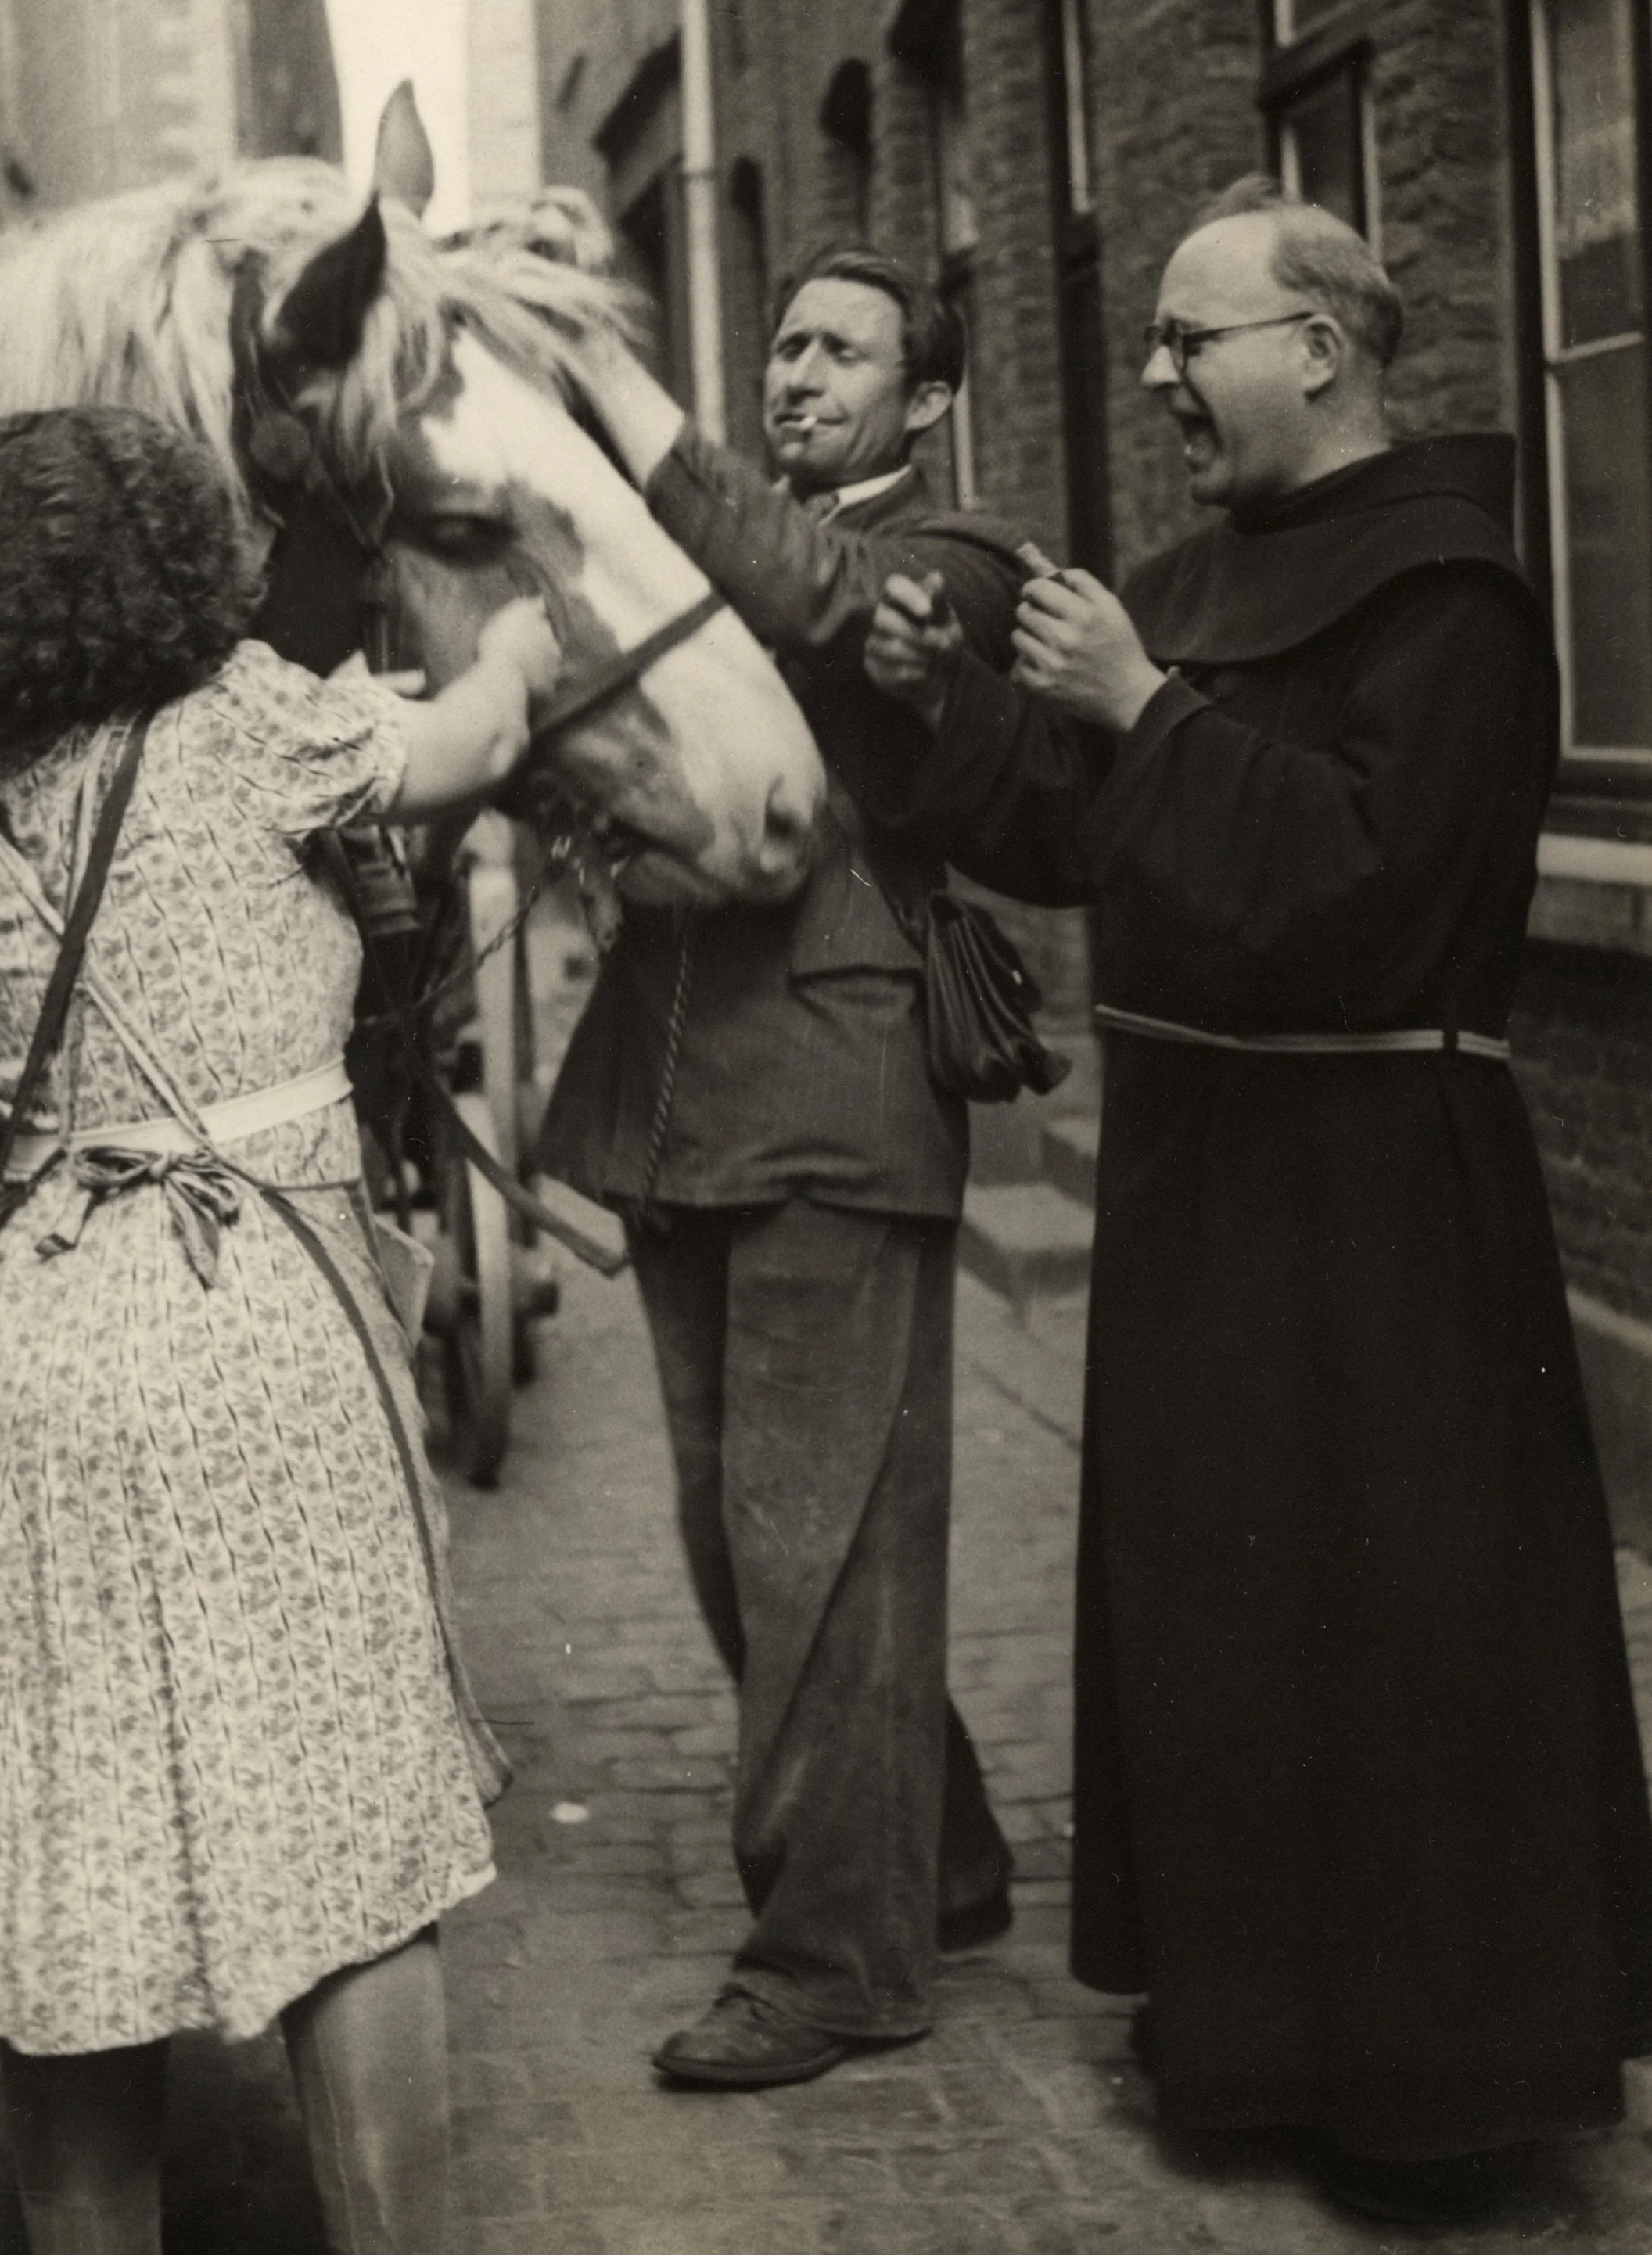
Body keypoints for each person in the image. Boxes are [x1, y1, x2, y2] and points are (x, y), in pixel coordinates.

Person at [860, 178, 1652, 2223]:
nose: (1154, 377)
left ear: (1318, 346)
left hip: (1387, 1195)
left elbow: (1370, 896)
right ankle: (1248, 2037)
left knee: (1395, 1631)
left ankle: (1427, 2092)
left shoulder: (1453, 596)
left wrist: (1144, 704)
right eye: (1150, 341)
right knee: (1226, 1620)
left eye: (1186, 338)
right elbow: (1064, 826)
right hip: (1208, 1187)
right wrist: (940, 694)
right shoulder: (1188, 581)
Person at [0, 406, 562, 2255]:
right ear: (179, 560)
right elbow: (478, 743)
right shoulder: (255, 723)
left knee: (68, 1865)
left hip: (38, 1345)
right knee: (347, 1853)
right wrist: (517, 637)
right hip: (248, 1319)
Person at [544, 246, 1029, 2088]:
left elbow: (825, 610)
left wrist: (620, 393)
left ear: (922, 400)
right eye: (783, 343)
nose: (799, 370)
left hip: (835, 1087)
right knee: (743, 1543)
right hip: (681, 1098)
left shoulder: (956, 554)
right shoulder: (716, 552)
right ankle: (941, 1851)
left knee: (812, 1539)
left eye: (844, 351)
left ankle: (833, 1958)